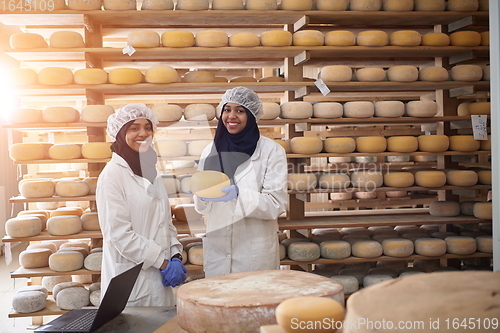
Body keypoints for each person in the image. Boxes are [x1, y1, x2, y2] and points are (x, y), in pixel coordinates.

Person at [193, 86, 288, 278]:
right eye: (227, 110)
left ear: (252, 115)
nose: (231, 116)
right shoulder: (210, 151)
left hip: (254, 255)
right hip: (218, 252)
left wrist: (240, 195)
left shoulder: (272, 151)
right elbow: (202, 209)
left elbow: (276, 204)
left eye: (240, 110)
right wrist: (200, 195)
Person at [96, 103, 185, 307]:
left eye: (147, 127)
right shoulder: (112, 176)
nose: (143, 133)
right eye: (134, 128)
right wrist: (162, 262)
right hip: (130, 283)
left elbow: (165, 223)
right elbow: (119, 235)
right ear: (120, 132)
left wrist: (175, 255)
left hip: (159, 280)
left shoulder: (151, 170)